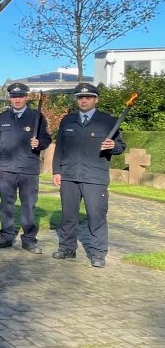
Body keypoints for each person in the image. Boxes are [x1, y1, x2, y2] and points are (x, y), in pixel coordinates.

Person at [52, 82, 126, 268]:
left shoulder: (108, 121)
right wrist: (56, 171)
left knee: (96, 215)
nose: (84, 100)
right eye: (80, 97)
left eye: (88, 97)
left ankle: (98, 253)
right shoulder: (67, 120)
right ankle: (67, 248)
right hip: (69, 174)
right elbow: (60, 147)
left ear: (96, 99)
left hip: (95, 177)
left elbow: (120, 146)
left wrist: (113, 146)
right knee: (68, 216)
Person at [0, 83, 52, 253]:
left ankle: (29, 239)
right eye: (13, 96)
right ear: (10, 98)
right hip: (6, 168)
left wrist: (39, 143)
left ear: (26, 97)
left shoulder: (36, 117)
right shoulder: (3, 117)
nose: (17, 99)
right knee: (6, 204)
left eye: (20, 96)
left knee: (28, 205)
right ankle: (6, 236)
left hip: (28, 168)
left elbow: (47, 138)